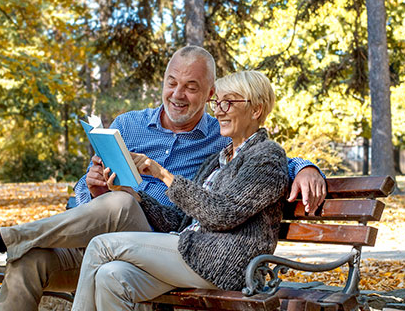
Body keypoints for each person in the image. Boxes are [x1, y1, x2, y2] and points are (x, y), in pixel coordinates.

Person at [0, 46, 325, 310]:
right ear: (163, 81)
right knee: (28, 260)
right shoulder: (128, 125)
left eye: (193, 88)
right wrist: (89, 189)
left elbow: (265, 163)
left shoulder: (218, 135)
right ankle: (10, 243)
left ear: (208, 93)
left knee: (124, 202)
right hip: (105, 227)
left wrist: (306, 166)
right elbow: (82, 195)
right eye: (172, 82)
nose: (178, 94)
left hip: (161, 243)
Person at [71, 70, 287, 310]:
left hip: (223, 263)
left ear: (256, 110)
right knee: (111, 276)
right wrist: (136, 197)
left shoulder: (267, 156)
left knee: (101, 246)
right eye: (217, 102)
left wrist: (161, 173)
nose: (218, 110)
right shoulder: (219, 159)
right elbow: (181, 222)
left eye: (228, 102)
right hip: (191, 250)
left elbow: (223, 214)